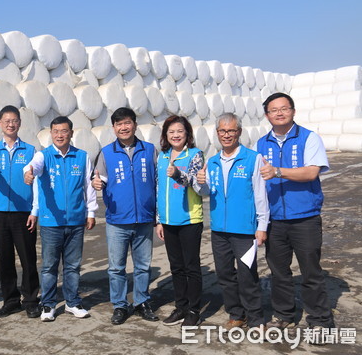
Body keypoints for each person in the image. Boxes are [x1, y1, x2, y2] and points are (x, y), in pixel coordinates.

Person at [256, 93, 334, 332]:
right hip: (275, 219)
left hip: (305, 218)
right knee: (279, 272)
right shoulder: (261, 144)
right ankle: (283, 314)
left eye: (284, 108)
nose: (279, 113)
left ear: (293, 111)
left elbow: (311, 172)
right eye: (273, 110)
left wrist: (278, 171)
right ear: (267, 115)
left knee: (311, 272)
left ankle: (319, 319)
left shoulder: (309, 138)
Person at [196, 113, 269, 330]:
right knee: (225, 275)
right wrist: (200, 183)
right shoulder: (213, 161)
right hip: (219, 228)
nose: (226, 135)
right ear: (217, 133)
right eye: (222, 131)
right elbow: (207, 192)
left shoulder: (252, 158)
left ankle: (255, 318)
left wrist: (262, 226)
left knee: (247, 276)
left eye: (231, 131)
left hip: (245, 230)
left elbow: (260, 194)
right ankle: (236, 314)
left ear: (239, 132)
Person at [23, 116, 97, 322]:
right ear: (51, 134)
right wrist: (29, 173)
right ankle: (48, 304)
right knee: (49, 266)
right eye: (55, 131)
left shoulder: (82, 156)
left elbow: (88, 185)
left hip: (76, 220)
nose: (59, 135)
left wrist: (91, 212)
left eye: (64, 131)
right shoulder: (43, 156)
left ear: (71, 133)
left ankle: (72, 302)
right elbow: (33, 167)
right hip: (51, 222)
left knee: (73, 266)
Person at [92, 107, 158, 325]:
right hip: (117, 220)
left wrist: (158, 215)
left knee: (142, 266)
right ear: (113, 128)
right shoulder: (106, 152)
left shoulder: (149, 150)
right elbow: (97, 178)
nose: (123, 127)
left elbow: (159, 181)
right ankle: (120, 305)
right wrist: (95, 182)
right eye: (119, 124)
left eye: (127, 123)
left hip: (144, 219)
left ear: (135, 125)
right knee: (117, 267)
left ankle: (141, 302)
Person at [0, 105, 41, 319]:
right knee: (4, 259)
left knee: (28, 258)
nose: (10, 124)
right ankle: (11, 300)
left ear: (19, 123)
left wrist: (35, 210)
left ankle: (32, 300)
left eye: (14, 120)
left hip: (23, 212)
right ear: (0, 123)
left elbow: (37, 181)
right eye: (6, 120)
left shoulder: (30, 150)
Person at [156, 115, 204, 327]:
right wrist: (159, 220)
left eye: (180, 132)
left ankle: (194, 310)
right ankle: (181, 307)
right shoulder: (163, 156)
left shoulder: (195, 155)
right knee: (176, 267)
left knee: (191, 266)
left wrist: (177, 174)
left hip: (189, 219)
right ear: (166, 135)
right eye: (171, 132)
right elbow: (159, 189)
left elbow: (194, 182)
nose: (176, 135)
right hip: (168, 221)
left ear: (187, 134)